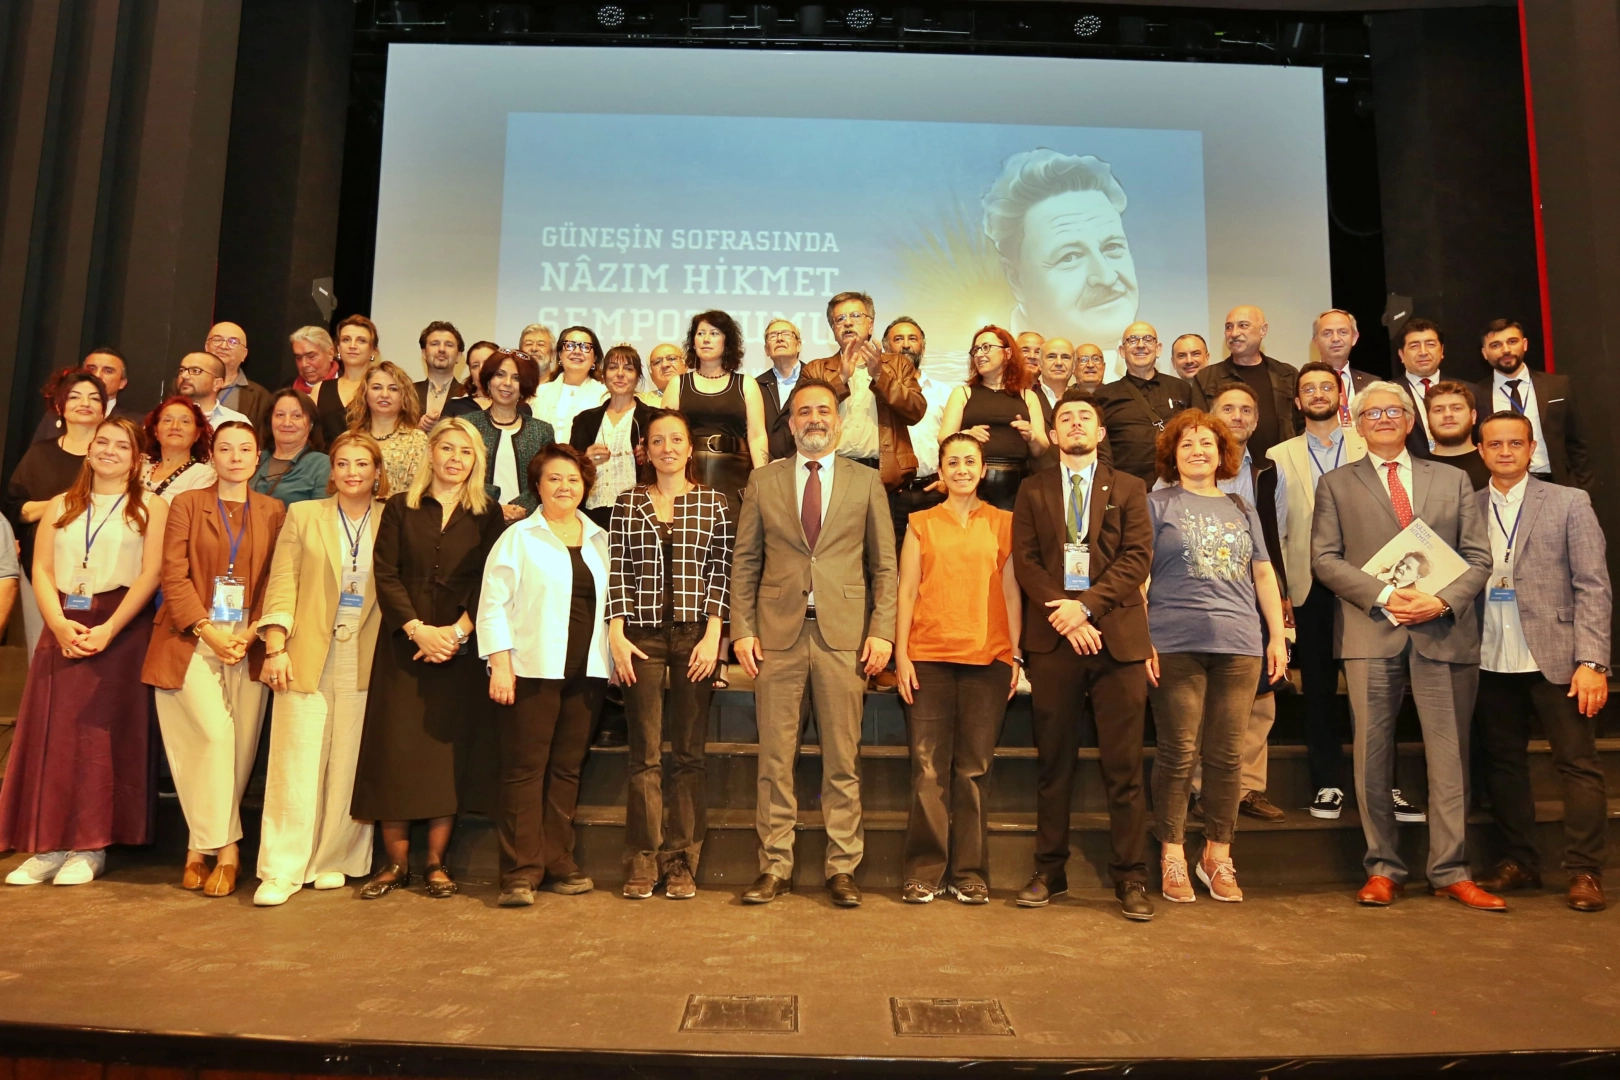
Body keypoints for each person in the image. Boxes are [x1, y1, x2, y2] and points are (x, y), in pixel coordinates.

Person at [1310, 381, 1497, 909]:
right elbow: (1324, 559)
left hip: (1444, 630)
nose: (1385, 418)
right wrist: (1387, 595)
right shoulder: (1335, 484)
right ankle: (1383, 868)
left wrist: (1439, 602)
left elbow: (1479, 558)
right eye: (1373, 413)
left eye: (1395, 410)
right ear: (1358, 424)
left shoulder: (1454, 479)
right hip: (1372, 631)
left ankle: (1451, 869)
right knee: (1372, 756)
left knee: (1450, 756)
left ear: (1412, 421)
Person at [730, 379, 898, 907]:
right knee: (774, 762)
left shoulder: (866, 481)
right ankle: (774, 867)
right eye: (804, 411)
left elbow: (884, 565)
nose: (814, 419)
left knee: (842, 761)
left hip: (844, 639)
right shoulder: (763, 480)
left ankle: (842, 867)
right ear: (791, 423)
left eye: (823, 410)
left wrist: (882, 630)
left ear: (838, 421)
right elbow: (745, 562)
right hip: (776, 638)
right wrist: (742, 629)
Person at [0, 418, 167, 887]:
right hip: (65, 623)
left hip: (120, 628)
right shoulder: (60, 504)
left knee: (99, 742)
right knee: (53, 736)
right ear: (88, 451)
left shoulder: (151, 506)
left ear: (137, 459)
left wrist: (111, 628)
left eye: (122, 446)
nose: (110, 451)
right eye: (102, 443)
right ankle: (48, 844)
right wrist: (56, 623)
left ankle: (90, 845)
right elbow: (41, 568)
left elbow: (152, 572)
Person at [1009, 390, 1154, 918]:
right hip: (1055, 640)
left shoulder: (1131, 487)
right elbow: (1025, 561)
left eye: (1084, 418)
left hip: (1117, 638)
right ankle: (1049, 871)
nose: (1074, 423)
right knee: (1054, 763)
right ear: (1053, 433)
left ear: (1099, 432)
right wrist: (1065, 615)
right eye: (1065, 417)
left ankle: (1131, 877)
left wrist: (1085, 608)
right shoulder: (1032, 489)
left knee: (1124, 766)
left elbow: (1136, 558)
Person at [350, 417, 503, 899]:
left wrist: (456, 634)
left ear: (477, 461)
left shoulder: (488, 514)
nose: (456, 458)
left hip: (459, 649)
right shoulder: (400, 507)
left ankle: (436, 862)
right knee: (394, 751)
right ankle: (394, 864)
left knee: (444, 756)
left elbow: (491, 581)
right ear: (430, 453)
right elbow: (386, 574)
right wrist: (417, 629)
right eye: (448, 448)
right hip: (404, 645)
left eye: (466, 451)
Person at [1145, 409, 1288, 905]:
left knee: (1228, 756)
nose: (1197, 451)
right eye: (1186, 444)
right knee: (1178, 752)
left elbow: (1263, 573)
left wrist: (1276, 637)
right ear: (1173, 455)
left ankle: (1217, 855)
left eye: (1206, 443)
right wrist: (1142, 638)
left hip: (1240, 644)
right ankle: (1171, 854)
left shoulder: (1241, 506)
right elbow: (1139, 577)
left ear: (1222, 453)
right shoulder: (1155, 504)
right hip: (1174, 641)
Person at [1470, 411, 1611, 912]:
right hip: (1489, 655)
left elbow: (1593, 585)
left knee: (1578, 765)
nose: (1505, 451)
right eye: (1495, 444)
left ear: (1532, 449)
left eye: (1516, 443)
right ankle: (1519, 861)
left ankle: (1585, 871)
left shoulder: (1570, 502)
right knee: (1503, 765)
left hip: (1558, 658)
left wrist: (1592, 660)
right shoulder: (1468, 506)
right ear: (1480, 451)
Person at [143, 421, 287, 897]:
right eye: (225, 448)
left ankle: (196, 848)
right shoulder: (186, 504)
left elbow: (277, 580)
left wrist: (249, 632)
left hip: (247, 638)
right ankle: (227, 850)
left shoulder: (274, 510)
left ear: (257, 456)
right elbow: (173, 575)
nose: (235, 457)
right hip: (190, 634)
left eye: (245, 449)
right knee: (214, 737)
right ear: (213, 455)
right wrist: (208, 630)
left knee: (238, 749)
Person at [252, 432, 388, 906]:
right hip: (307, 647)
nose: (352, 472)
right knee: (295, 760)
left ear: (377, 472)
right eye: (343, 463)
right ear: (332, 470)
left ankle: (335, 859)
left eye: (362, 464)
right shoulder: (305, 514)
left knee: (349, 761)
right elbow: (283, 580)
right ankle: (282, 869)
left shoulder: (392, 519)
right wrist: (275, 646)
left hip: (366, 651)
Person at [479, 444, 612, 907]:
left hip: (588, 673)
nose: (564, 487)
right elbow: (492, 604)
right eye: (554, 478)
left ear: (585, 487)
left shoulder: (599, 538)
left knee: (567, 769)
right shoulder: (518, 537)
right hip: (531, 670)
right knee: (524, 771)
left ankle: (559, 861)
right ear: (537, 485)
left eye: (573, 479)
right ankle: (520, 871)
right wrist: (500, 663)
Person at [607, 411, 733, 899]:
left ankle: (681, 861)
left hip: (695, 636)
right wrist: (616, 632)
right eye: (657, 441)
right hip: (640, 637)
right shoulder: (628, 502)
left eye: (676, 439)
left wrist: (715, 634)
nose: (667, 448)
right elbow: (618, 568)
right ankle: (642, 859)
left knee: (688, 754)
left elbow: (721, 571)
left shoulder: (713, 502)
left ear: (689, 448)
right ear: (646, 450)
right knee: (644, 754)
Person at [894, 432, 1020, 904]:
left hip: (988, 659)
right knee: (927, 770)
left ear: (983, 470)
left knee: (973, 771)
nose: (962, 470)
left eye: (970, 462)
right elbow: (907, 590)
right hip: (928, 657)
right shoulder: (921, 522)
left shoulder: (1004, 523)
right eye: (953, 463)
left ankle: (969, 872)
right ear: (941, 472)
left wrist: (1015, 655)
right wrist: (901, 654)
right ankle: (924, 870)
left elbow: (1012, 593)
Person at [1266, 362, 1367, 819]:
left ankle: (1380, 784)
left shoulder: (1367, 443)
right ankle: (1328, 783)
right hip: (1308, 586)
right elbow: (1277, 529)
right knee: (1320, 691)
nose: (1319, 394)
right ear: (1297, 400)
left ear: (1340, 394)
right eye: (1309, 389)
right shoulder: (1278, 454)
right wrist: (1282, 589)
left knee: (1374, 692)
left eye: (1327, 386)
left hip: (1367, 584)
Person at [1188, 383, 1290, 824]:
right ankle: (1200, 791)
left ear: (1257, 419)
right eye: (1228, 408)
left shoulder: (1268, 470)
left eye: (1246, 410)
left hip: (1254, 594)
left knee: (1260, 697)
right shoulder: (1183, 466)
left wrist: (1281, 594)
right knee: (1200, 698)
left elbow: (1277, 536)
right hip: (1197, 598)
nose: (1238, 416)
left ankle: (1247, 789)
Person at [983, 150, 1138, 353]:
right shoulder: (995, 370)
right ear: (1016, 280)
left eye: (1112, 247)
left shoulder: (1151, 369)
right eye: (1070, 257)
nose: (1107, 277)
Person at [802, 292, 928, 534]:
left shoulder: (897, 365)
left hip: (881, 477)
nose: (848, 323)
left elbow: (915, 410)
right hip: (831, 475)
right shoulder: (816, 369)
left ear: (870, 325)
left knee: (880, 551)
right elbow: (803, 416)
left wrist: (879, 375)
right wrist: (840, 379)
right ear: (833, 329)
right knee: (834, 550)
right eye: (840, 319)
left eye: (856, 316)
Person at [6, 369, 109, 654]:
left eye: (94, 398)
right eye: (74, 397)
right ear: (60, 407)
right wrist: (67, 502)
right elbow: (17, 509)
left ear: (104, 409)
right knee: (43, 648)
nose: (85, 403)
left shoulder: (114, 456)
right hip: (42, 566)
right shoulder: (40, 454)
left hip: (105, 568)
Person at [663, 311, 770, 509]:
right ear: (693, 342)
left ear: (726, 341)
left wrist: (762, 480)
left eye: (714, 333)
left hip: (736, 476)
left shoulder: (746, 384)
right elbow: (666, 437)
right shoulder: (677, 384)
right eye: (700, 333)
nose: (706, 339)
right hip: (688, 474)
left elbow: (757, 436)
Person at [940, 326, 1048, 511]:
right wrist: (965, 435)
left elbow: (1041, 448)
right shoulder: (962, 393)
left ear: (1007, 353)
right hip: (973, 482)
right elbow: (943, 437)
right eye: (976, 350)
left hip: (1016, 485)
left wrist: (1031, 436)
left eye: (986, 347)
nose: (979, 354)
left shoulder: (1028, 396)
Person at [1473, 319, 1590, 489]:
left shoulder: (1558, 386)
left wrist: (1583, 491)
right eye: (1496, 345)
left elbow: (1577, 444)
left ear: (1525, 344)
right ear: (1484, 353)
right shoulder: (1476, 394)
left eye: (1512, 341)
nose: (1506, 350)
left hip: (1555, 483)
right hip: (1501, 486)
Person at [1093, 321, 1198, 487]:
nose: (1141, 345)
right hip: (1126, 489)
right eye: (1132, 340)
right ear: (1122, 351)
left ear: (1158, 349)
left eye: (1148, 339)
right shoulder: (1103, 396)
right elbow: (1100, 451)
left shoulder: (1181, 389)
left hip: (1178, 487)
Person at [571, 344, 659, 529]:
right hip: (591, 514)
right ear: (604, 376)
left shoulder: (653, 418)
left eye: (628, 369)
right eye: (612, 368)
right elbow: (570, 469)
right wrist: (585, 461)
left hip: (640, 513)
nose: (620, 374)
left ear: (638, 377)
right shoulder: (584, 420)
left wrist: (651, 456)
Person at [1195, 305, 1299, 459]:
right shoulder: (1206, 377)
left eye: (1243, 325)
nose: (1234, 333)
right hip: (1228, 467)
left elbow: (1301, 426)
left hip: (1281, 466)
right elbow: (1200, 429)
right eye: (1229, 327)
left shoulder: (1287, 374)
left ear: (1263, 330)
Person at [463, 348, 554, 523]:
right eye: (500, 375)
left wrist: (521, 507)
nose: (507, 383)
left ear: (525, 386)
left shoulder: (542, 431)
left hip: (528, 523)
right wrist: (495, 508)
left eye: (517, 378)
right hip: (475, 520)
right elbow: (461, 476)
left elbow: (547, 479)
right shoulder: (468, 425)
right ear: (488, 381)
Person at [885, 317, 949, 546]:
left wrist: (946, 481)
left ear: (923, 346)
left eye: (912, 339)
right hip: (891, 494)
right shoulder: (876, 392)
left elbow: (953, 442)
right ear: (885, 347)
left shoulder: (943, 392)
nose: (906, 345)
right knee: (889, 559)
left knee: (935, 558)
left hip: (933, 490)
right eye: (898, 339)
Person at [347, 360, 428, 495]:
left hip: (402, 508)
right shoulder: (349, 439)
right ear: (365, 393)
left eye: (393, 389)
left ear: (404, 397)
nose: (384, 395)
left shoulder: (417, 441)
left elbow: (420, 491)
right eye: (377, 388)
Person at [31, 349, 139, 442]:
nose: (97, 375)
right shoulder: (54, 415)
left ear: (122, 383)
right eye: (91, 369)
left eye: (108, 371)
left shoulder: (136, 422)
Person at [250, 389, 331, 506]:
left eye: (296, 416)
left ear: (311, 424)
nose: (287, 423)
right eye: (280, 415)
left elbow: (321, 513)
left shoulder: (322, 465)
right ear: (270, 420)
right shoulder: (255, 458)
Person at [530, 325, 607, 441]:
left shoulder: (605, 395)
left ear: (595, 358)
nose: (577, 351)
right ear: (560, 354)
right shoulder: (538, 393)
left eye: (585, 347)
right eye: (570, 345)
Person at [313, 315, 381, 443]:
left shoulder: (382, 390)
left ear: (374, 351)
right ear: (338, 348)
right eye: (346, 339)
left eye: (361, 340)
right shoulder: (320, 389)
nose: (352, 345)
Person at [141, 397, 218, 503]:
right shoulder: (140, 470)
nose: (175, 426)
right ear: (155, 431)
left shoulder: (204, 475)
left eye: (185, 421)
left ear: (197, 434)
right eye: (167, 420)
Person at [1310, 309, 1375, 427]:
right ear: (1316, 341)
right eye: (1327, 333)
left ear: (1354, 338)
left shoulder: (1372, 383)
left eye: (1343, 332)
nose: (1335, 339)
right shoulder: (1302, 384)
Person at [206, 322, 273, 432]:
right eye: (217, 340)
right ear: (206, 347)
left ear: (244, 354)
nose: (223, 346)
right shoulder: (184, 384)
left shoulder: (261, 397)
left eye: (233, 342)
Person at [1425, 381, 1492, 490]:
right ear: (1427, 419)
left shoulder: (1494, 465)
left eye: (1456, 408)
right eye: (1438, 410)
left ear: (1473, 416)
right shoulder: (1413, 471)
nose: (1448, 414)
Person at [1395, 317, 1445, 457]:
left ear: (1442, 350)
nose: (1423, 352)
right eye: (1414, 346)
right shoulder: (1387, 393)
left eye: (1430, 344)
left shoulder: (1467, 390)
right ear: (1401, 355)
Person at [757, 320, 803, 461]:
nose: (779, 338)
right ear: (766, 350)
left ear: (799, 345)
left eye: (786, 334)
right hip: (768, 466)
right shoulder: (756, 386)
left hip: (806, 463)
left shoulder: (814, 379)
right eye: (772, 336)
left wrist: (793, 460)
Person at [176, 352, 250, 430]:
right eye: (181, 370)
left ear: (217, 383)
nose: (184, 376)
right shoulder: (168, 414)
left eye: (196, 371)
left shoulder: (236, 421)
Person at [415, 321, 467, 431]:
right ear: (424, 353)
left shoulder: (467, 395)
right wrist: (417, 430)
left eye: (449, 345)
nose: (442, 349)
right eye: (435, 344)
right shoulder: (408, 392)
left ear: (458, 356)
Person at [444, 340, 504, 419]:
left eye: (487, 363)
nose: (481, 370)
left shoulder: (515, 406)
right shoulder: (455, 406)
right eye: (475, 366)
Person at [1033, 338, 1075, 421]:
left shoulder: (1085, 402)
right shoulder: (1025, 400)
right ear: (1040, 364)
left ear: (1073, 366)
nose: (1059, 363)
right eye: (1051, 357)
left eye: (1065, 357)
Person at [290, 326, 338, 395]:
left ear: (330, 354)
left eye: (311, 356)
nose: (304, 364)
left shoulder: (350, 387)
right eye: (299, 357)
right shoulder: (288, 389)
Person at [641, 342, 686, 408]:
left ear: (685, 366)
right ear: (651, 374)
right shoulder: (640, 401)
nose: (664, 365)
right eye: (657, 362)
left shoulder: (699, 395)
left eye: (671, 358)